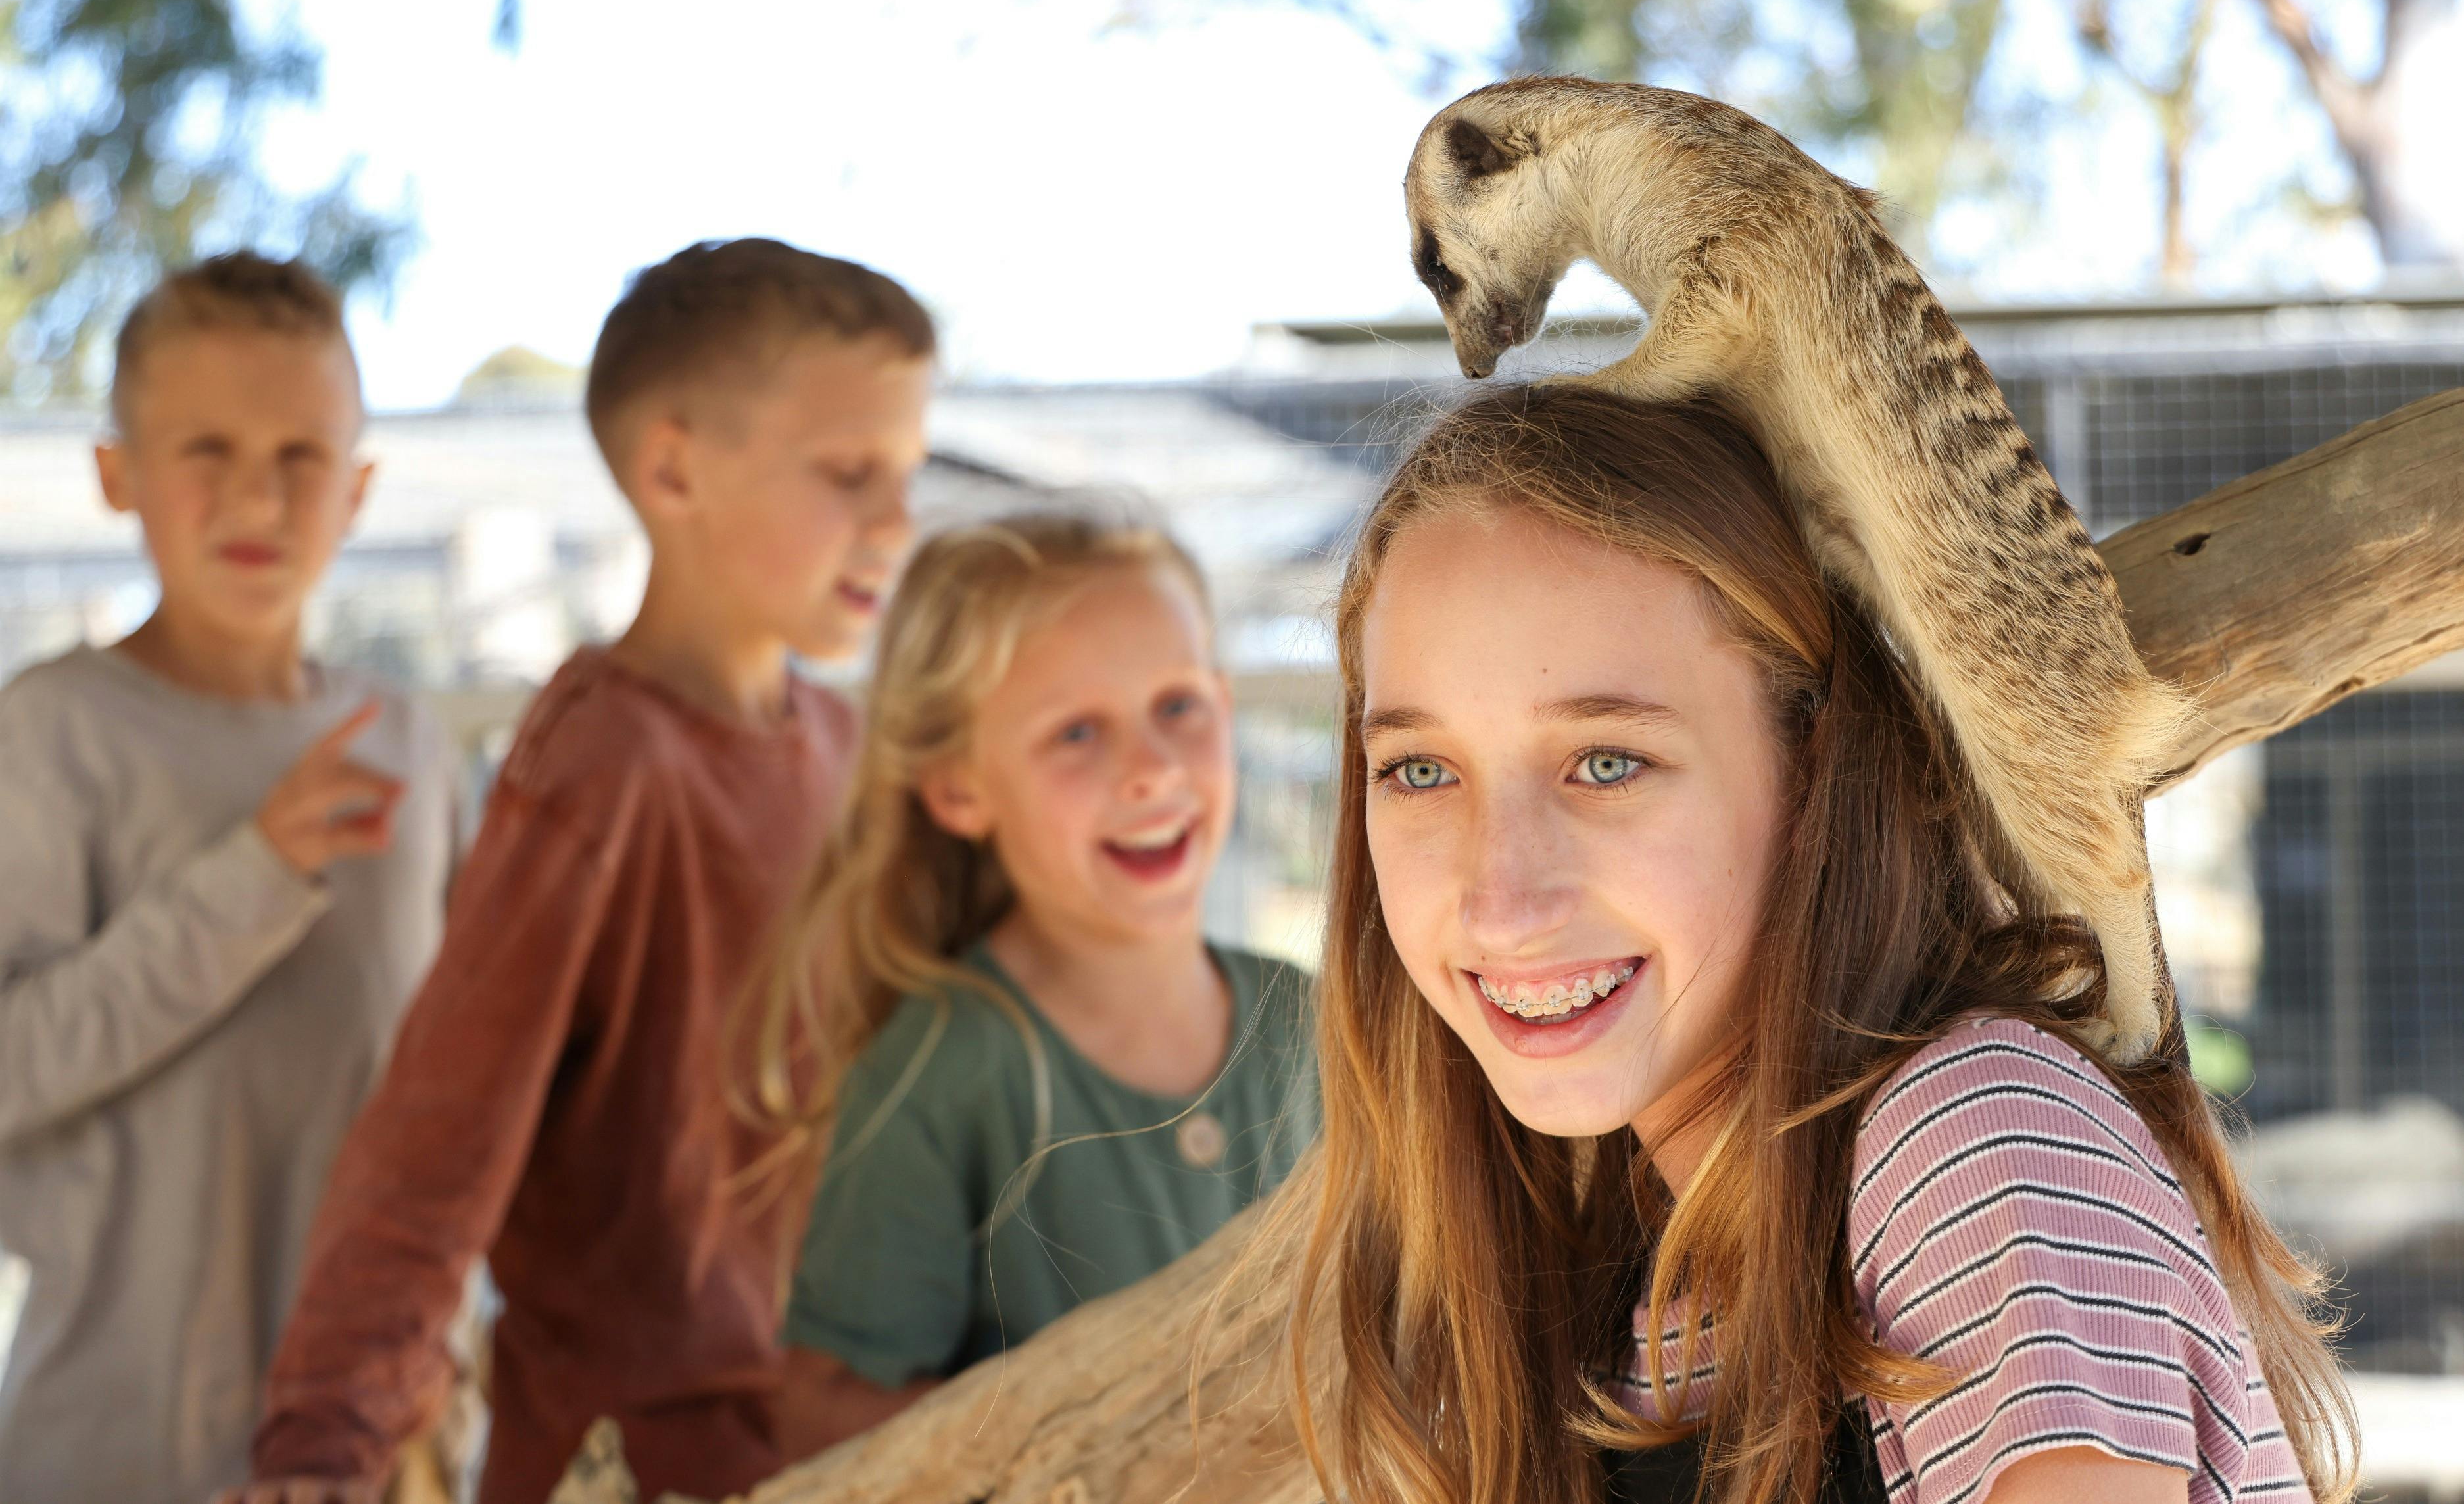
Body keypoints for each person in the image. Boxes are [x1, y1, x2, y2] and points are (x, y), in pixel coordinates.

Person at [1281, 382, 2354, 1504]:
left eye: (1606, 763)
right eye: (1420, 771)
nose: (1501, 899)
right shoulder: (1616, 1286)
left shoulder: (1974, 1142)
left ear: (1812, 771)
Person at [237, 241, 936, 1504]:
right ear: (672, 470)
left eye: (906, 473)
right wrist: (322, 1451)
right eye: (847, 475)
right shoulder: (603, 767)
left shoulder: (848, 748)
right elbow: (434, 1147)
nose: (897, 520)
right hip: (621, 1467)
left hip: (830, 1454)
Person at [0, 253, 461, 1504]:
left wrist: (455, 1329)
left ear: (360, 489)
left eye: (303, 456)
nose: (257, 495)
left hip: (375, 1442)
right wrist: (255, 876)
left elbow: (459, 1088)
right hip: (110, 1450)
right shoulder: (50, 734)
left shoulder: (411, 745)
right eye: (206, 447)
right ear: (116, 474)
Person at [738, 509, 1317, 1460]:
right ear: (960, 788)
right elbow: (819, 1415)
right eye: (1078, 732)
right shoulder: (947, 1062)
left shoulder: (1314, 1022)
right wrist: (1070, 1432)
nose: (1151, 770)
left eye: (1178, 706)